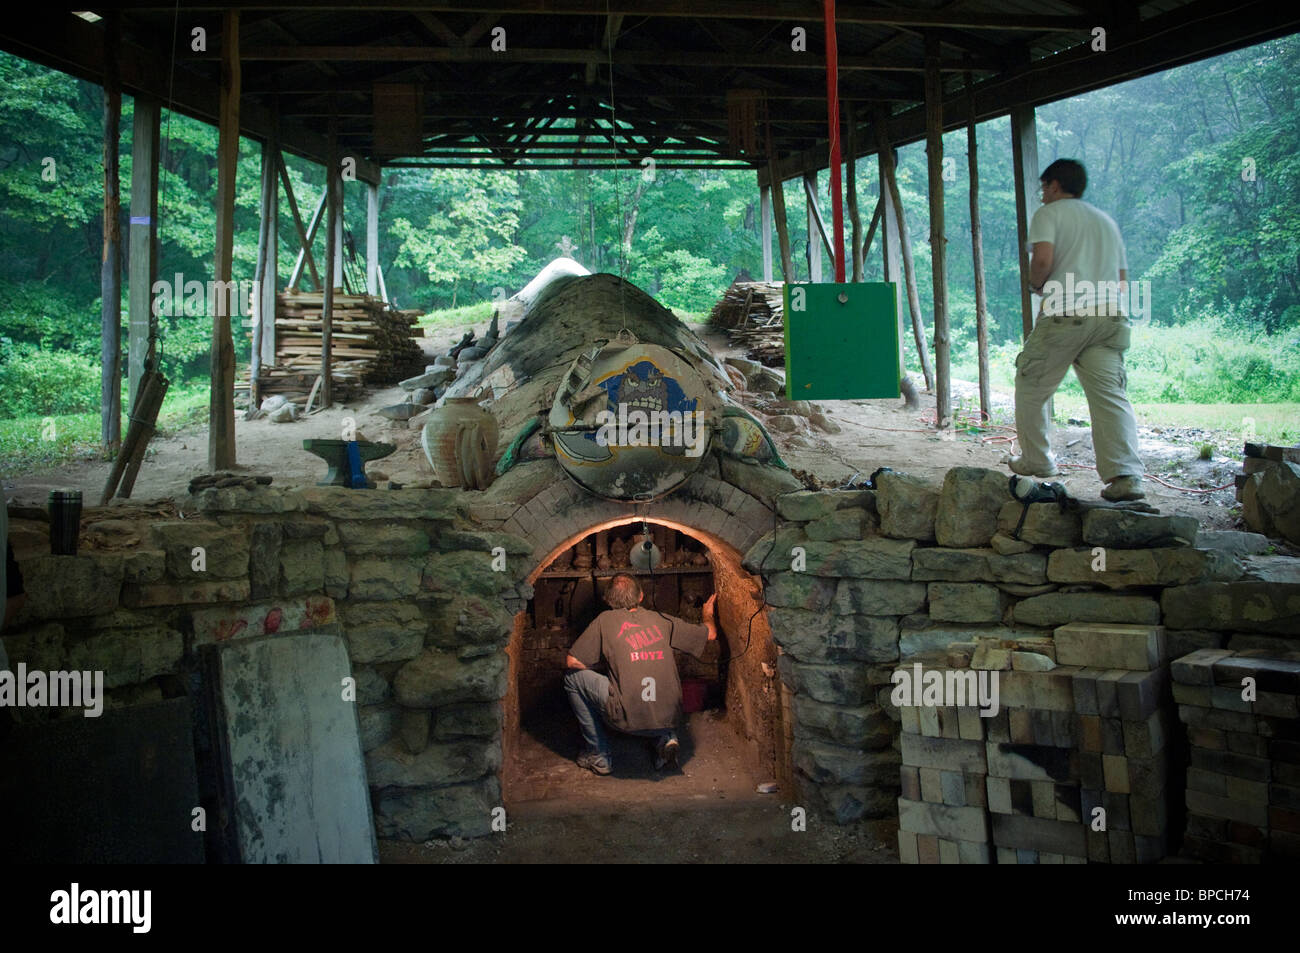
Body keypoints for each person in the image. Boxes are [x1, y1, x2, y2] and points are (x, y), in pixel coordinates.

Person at [1008, 158, 1146, 502]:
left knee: (1031, 382)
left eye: (1043, 188)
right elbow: (1123, 278)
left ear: (1055, 185)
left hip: (1066, 313)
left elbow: (1042, 259)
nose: (1041, 196)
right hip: (1111, 316)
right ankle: (1125, 476)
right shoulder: (1106, 222)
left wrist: (1035, 285)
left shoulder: (1049, 215)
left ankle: (1037, 461)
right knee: (1110, 397)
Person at [563, 574, 716, 775]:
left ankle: (598, 755)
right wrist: (707, 614)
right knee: (655, 682)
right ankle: (665, 737)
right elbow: (711, 634)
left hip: (626, 720)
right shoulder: (661, 619)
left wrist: (615, 671)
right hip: (670, 717)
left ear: (608, 600)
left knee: (572, 679)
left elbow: (572, 661)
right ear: (641, 596)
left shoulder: (604, 621)